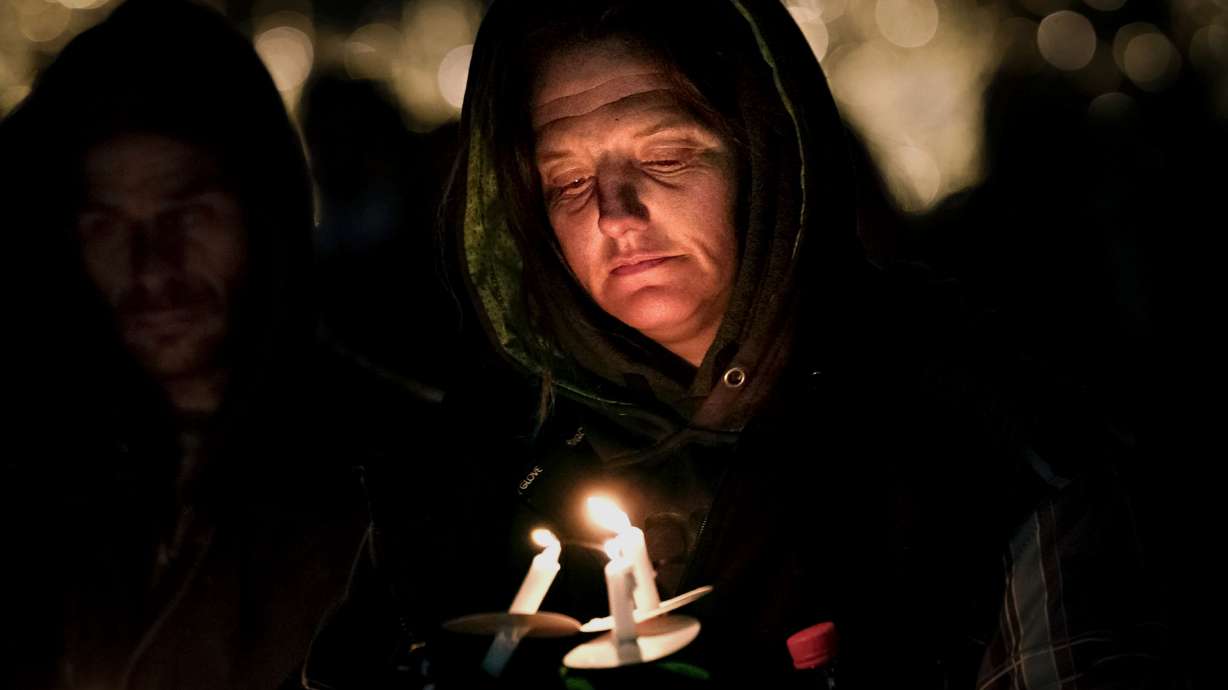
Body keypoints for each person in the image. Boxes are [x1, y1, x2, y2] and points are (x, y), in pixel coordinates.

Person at [304, 1, 1174, 688]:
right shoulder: (476, 471)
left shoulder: (973, 441)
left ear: (769, 155)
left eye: (668, 154)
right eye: (568, 178)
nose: (615, 214)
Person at [0, 1, 426, 688]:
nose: (150, 267)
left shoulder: (404, 470)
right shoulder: (37, 466)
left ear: (267, 216)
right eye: (107, 225)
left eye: (187, 214)